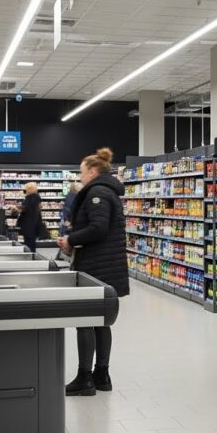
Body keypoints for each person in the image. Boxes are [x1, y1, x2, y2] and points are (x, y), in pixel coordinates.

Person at [58, 148, 129, 396]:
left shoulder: (97, 192)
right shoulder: (108, 191)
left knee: (86, 320)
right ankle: (102, 375)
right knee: (102, 322)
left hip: (97, 266)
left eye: (81, 172)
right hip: (105, 265)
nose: (80, 176)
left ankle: (85, 378)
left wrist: (71, 239)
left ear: (92, 171)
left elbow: (98, 228)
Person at [15, 182, 43, 253]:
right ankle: (32, 254)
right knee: (31, 242)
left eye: (26, 189)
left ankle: (30, 255)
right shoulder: (36, 197)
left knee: (29, 242)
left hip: (29, 224)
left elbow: (25, 208)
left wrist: (16, 208)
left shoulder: (30, 198)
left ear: (29, 189)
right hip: (34, 223)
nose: (25, 191)